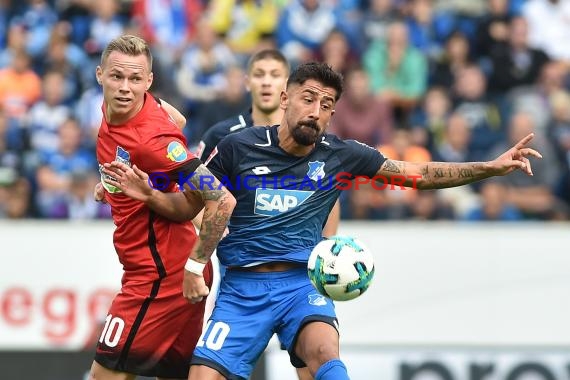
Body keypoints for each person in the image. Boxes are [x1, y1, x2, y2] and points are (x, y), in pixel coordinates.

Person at [102, 62, 541, 380]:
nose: (316, 110)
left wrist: (489, 166)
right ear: (287, 99)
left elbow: (417, 175)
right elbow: (190, 207)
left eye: (327, 104)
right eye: (309, 99)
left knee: (324, 352)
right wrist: (150, 194)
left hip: (302, 285)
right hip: (241, 289)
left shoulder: (341, 156)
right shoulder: (238, 149)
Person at [90, 35, 236, 380]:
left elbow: (222, 199)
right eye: (117, 77)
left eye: (135, 80)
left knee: (105, 375)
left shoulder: (154, 141)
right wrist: (112, 187)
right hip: (164, 267)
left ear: (149, 81)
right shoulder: (129, 106)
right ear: (100, 75)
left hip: (161, 276)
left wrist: (193, 267)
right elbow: (178, 118)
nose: (125, 88)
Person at [197, 48, 339, 239]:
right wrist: (220, 233)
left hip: (299, 253)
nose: (266, 82)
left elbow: (329, 196)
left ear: (288, 86)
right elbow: (192, 191)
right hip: (241, 254)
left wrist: (326, 246)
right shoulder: (221, 136)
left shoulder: (308, 133)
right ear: (247, 82)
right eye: (259, 75)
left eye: (274, 75)